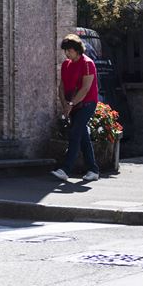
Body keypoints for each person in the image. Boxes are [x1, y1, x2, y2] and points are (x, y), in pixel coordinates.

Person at [51, 33, 100, 183]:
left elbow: (85, 89)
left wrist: (71, 105)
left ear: (78, 50)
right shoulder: (66, 64)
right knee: (83, 136)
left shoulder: (87, 63)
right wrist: (65, 104)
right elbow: (62, 86)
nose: (67, 53)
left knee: (75, 133)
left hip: (87, 104)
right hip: (72, 104)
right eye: (65, 50)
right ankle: (93, 170)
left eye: (70, 50)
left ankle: (66, 169)